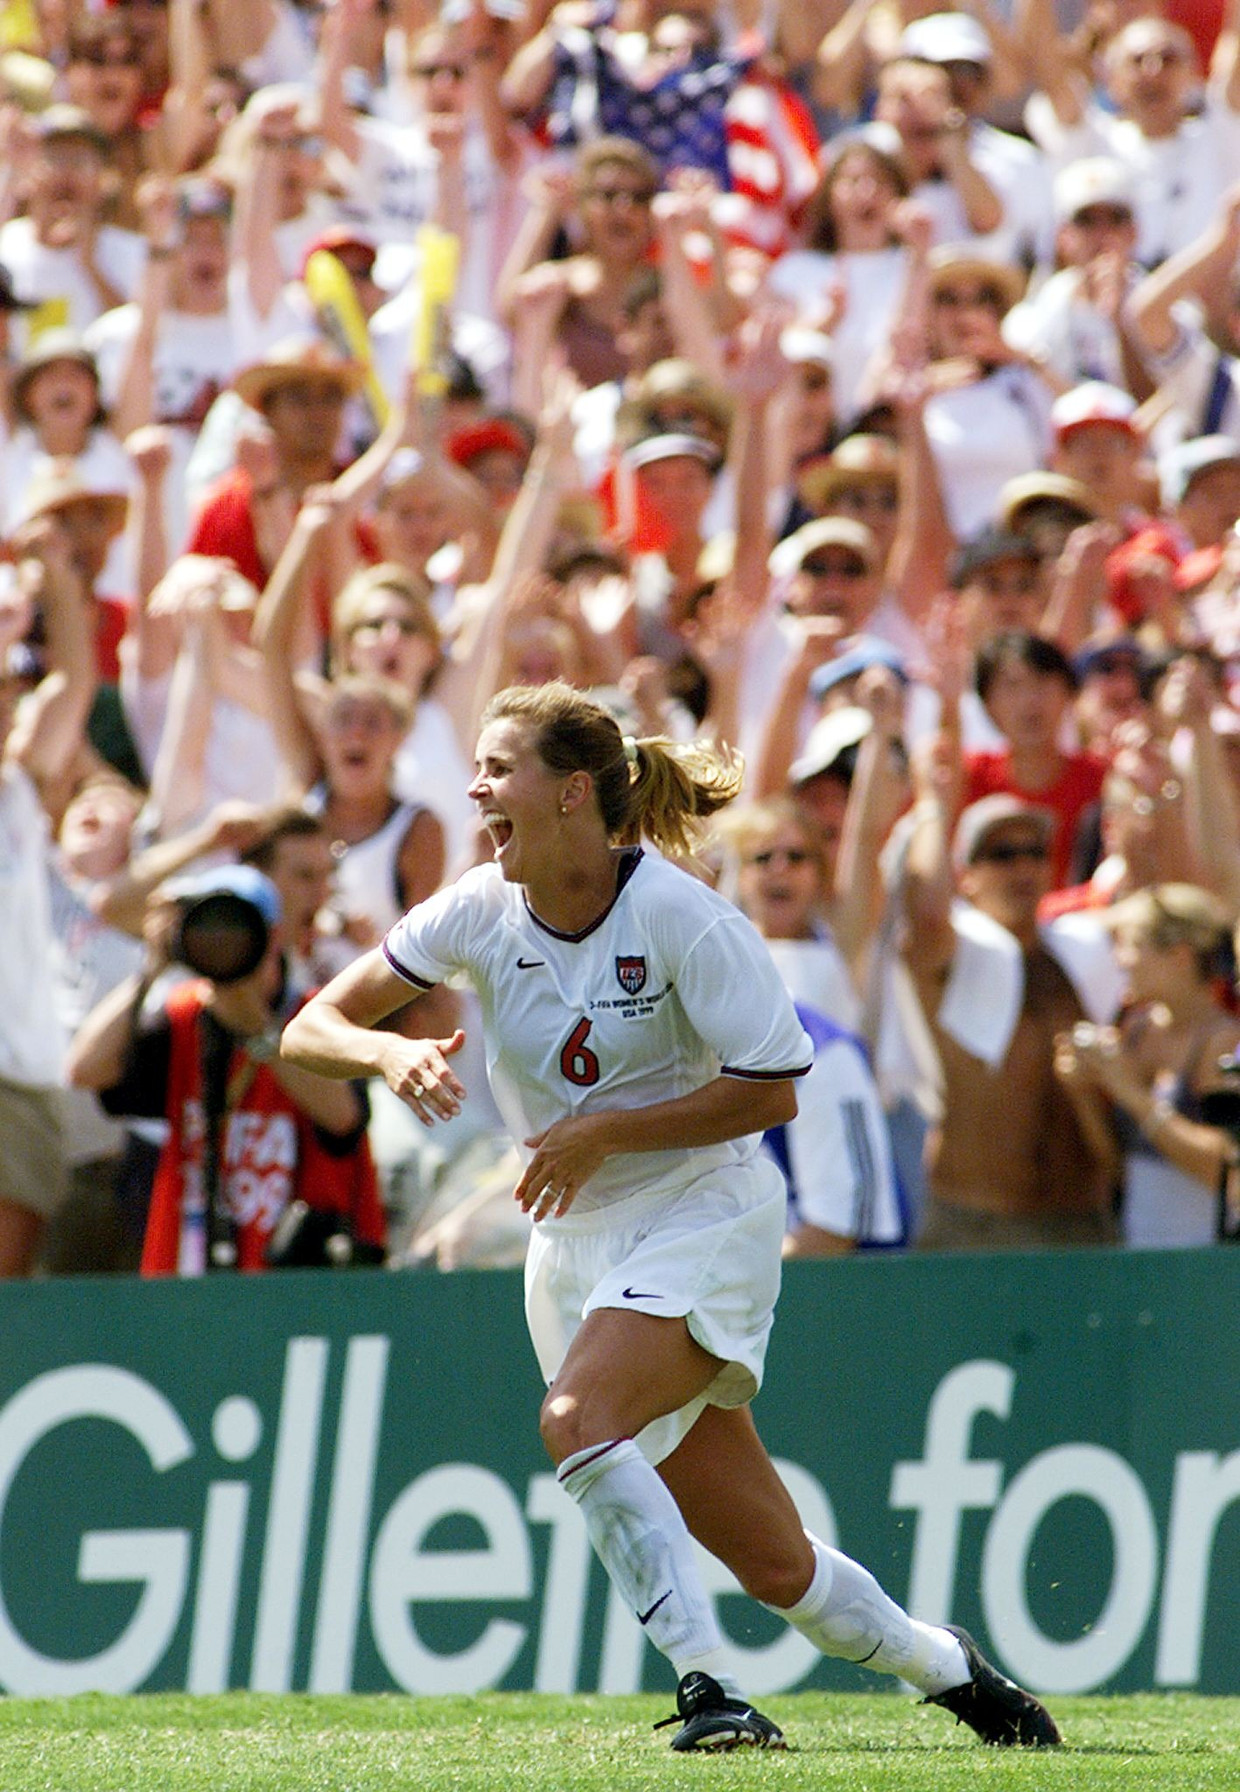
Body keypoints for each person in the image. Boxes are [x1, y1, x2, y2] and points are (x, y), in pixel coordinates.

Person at [280, 679, 1060, 1752]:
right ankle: (953, 1668)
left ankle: (710, 1692)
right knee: (781, 1569)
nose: (475, 786)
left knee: (572, 1419)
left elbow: (775, 1082)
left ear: (569, 793)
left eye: (498, 768)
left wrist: (605, 1130)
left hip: (703, 1211)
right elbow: (309, 1026)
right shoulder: (473, 908)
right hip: (571, 1243)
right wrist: (388, 1048)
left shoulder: (683, 915)